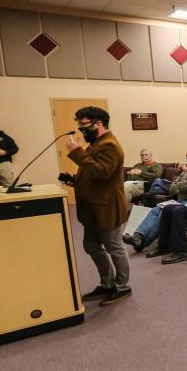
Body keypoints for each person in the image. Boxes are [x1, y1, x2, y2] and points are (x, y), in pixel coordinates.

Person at [63, 106, 132, 305]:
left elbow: (103, 172)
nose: (81, 130)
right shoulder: (96, 143)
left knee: (114, 247)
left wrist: (76, 152)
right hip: (94, 207)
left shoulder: (109, 144)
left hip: (106, 207)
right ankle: (107, 283)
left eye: (84, 125)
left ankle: (123, 286)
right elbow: (93, 172)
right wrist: (76, 179)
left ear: (98, 124)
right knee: (91, 246)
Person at [125, 150, 187, 251]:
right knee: (156, 208)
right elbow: (172, 188)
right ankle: (138, 235)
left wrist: (178, 186)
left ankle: (143, 242)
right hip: (180, 199)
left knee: (164, 211)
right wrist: (179, 186)